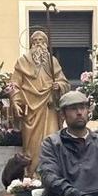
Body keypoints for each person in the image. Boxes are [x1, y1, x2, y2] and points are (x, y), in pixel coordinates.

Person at [11, 30, 71, 175]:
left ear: (46, 43)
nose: (38, 44)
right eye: (35, 41)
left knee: (52, 139)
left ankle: (52, 174)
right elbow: (15, 85)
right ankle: (32, 175)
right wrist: (16, 102)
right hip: (30, 110)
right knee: (31, 144)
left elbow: (64, 82)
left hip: (49, 108)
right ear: (31, 44)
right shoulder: (22, 61)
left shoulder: (52, 61)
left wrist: (59, 86)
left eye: (41, 41)